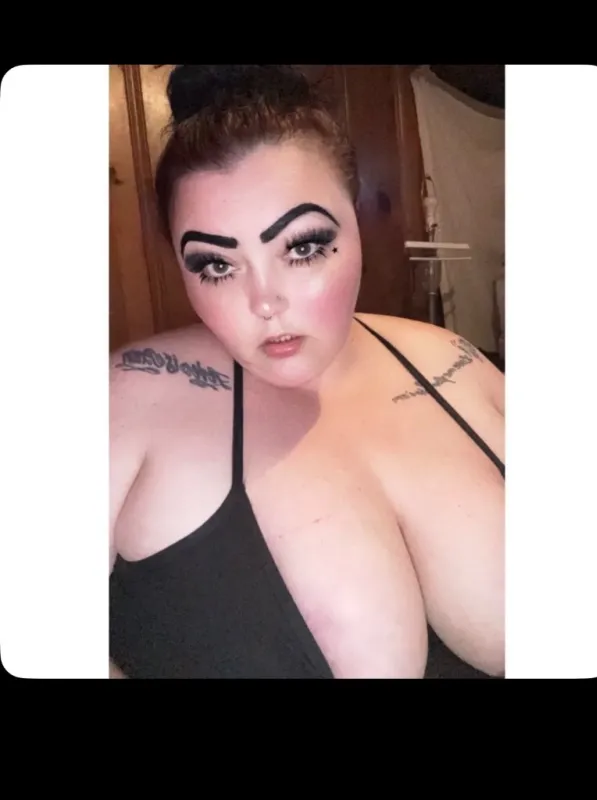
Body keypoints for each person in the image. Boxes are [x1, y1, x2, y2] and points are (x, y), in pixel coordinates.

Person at [109, 65, 505, 679]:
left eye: (301, 247)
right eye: (216, 265)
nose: (264, 302)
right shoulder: (126, 398)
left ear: (358, 220)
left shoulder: (454, 362)